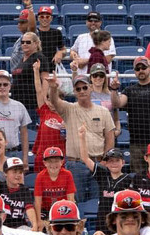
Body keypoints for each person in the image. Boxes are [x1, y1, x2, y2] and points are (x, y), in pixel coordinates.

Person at [49, 74, 116, 203]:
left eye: (84, 87)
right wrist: (53, 87)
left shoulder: (103, 111)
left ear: (91, 87)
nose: (82, 91)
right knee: (75, 202)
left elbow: (110, 138)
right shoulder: (68, 109)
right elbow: (54, 101)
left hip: (98, 163)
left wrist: (105, 161)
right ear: (74, 92)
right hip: (76, 165)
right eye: (78, 89)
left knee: (98, 202)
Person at [0, 71, 31, 160]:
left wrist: (25, 158)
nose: (2, 87)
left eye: (5, 84)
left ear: (10, 86)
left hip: (12, 153)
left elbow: (24, 135)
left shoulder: (19, 106)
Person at [33, 147, 76, 229]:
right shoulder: (40, 176)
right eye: (50, 161)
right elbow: (38, 202)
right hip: (45, 210)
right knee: (41, 228)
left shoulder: (67, 174)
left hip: (63, 208)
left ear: (62, 162)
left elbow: (71, 200)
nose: (53, 165)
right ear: (44, 163)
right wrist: (39, 221)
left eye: (56, 161)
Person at [11, 32, 50, 121]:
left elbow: (45, 79)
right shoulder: (22, 59)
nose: (24, 44)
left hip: (32, 104)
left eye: (28, 42)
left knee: (30, 131)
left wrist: (43, 99)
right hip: (18, 102)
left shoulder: (39, 57)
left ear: (36, 44)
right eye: (23, 42)